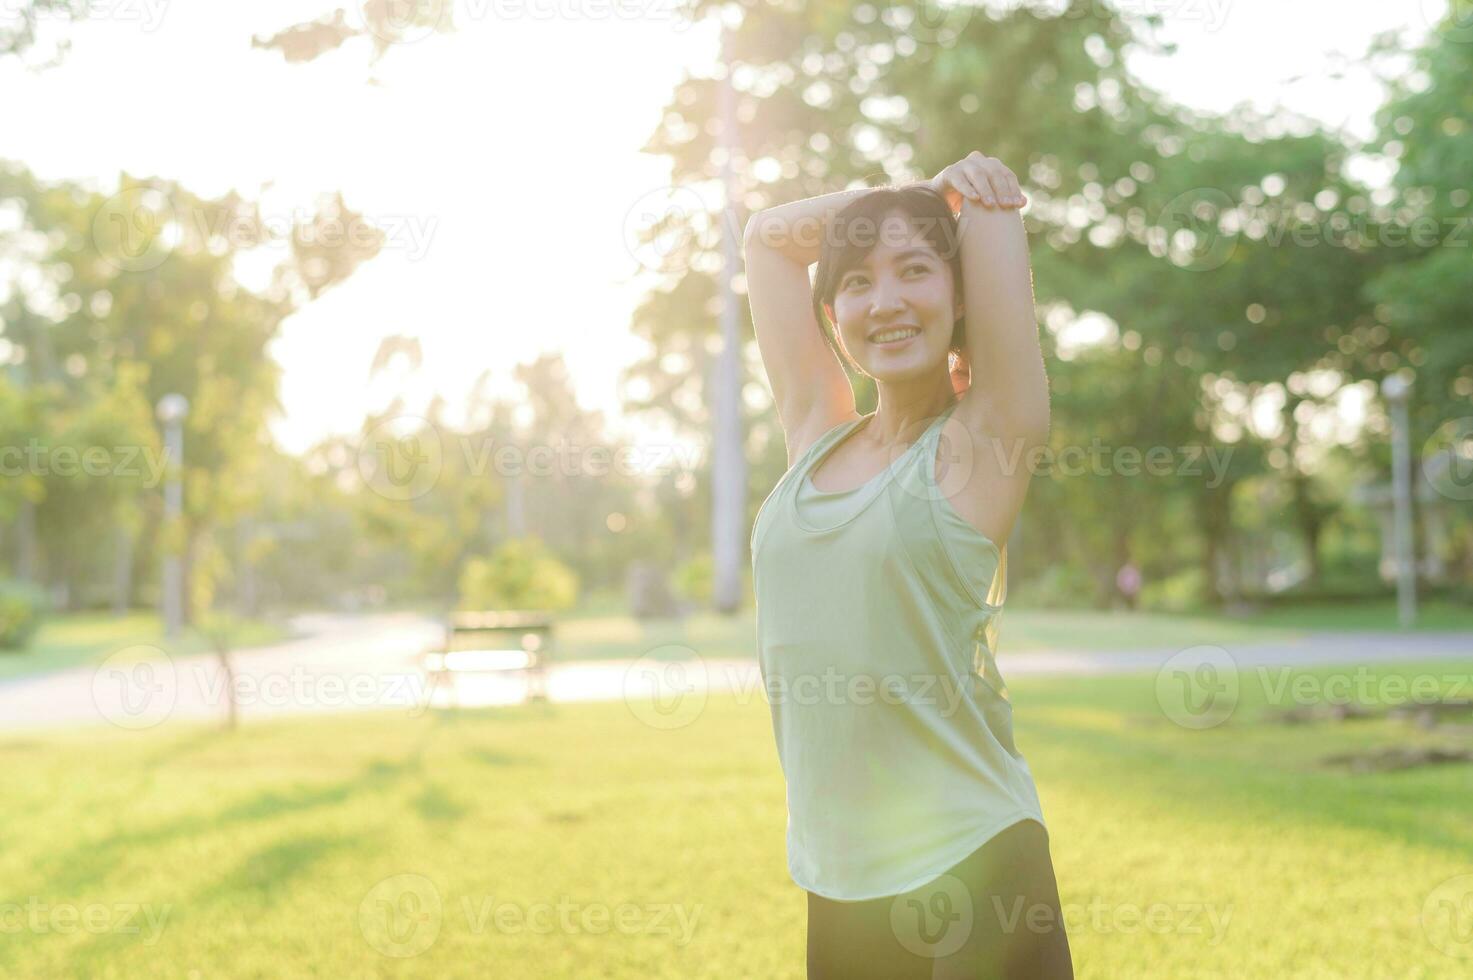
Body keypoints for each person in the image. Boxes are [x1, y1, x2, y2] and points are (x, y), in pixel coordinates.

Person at [745, 152, 1073, 978]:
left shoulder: (980, 445)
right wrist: (917, 201)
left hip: (972, 863)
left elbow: (994, 216)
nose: (884, 301)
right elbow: (765, 238)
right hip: (839, 874)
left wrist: (963, 197)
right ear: (832, 312)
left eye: (915, 270)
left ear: (958, 296)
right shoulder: (816, 432)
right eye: (856, 281)